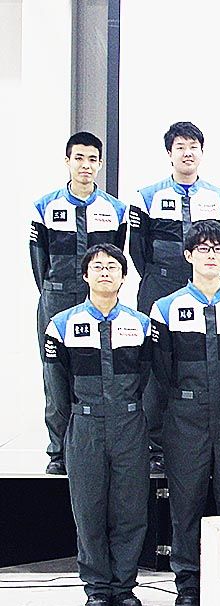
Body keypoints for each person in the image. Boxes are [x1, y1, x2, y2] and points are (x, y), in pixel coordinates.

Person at [149, 220, 220, 606]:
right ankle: (188, 583)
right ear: (188, 255)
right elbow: (161, 371)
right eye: (203, 248)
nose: (211, 255)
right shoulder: (166, 308)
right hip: (187, 417)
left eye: (218, 249)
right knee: (187, 502)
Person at [43, 245, 150, 606]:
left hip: (129, 425)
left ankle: (124, 588)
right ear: (86, 275)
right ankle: (97, 589)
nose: (105, 272)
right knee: (89, 510)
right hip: (85, 426)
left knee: (130, 510)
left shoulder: (141, 325)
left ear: (123, 276)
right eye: (98, 266)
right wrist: (65, 435)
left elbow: (147, 379)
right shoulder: (62, 325)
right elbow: (56, 387)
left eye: (113, 266)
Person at [131, 121, 220, 475]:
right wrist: (160, 277)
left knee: (197, 360)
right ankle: (156, 444)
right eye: (180, 147)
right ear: (169, 153)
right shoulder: (146, 196)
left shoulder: (219, 198)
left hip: (205, 287)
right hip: (159, 284)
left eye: (193, 147)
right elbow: (138, 249)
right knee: (156, 364)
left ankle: (199, 440)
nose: (187, 153)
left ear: (201, 152)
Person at [31, 131, 127, 475]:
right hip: (56, 297)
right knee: (55, 377)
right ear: (67, 161)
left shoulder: (115, 209)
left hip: (99, 301)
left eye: (92, 160)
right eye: (79, 158)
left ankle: (97, 448)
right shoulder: (45, 206)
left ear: (100, 164)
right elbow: (38, 261)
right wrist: (54, 290)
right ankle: (58, 451)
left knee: (94, 372)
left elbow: (116, 257)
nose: (86, 165)